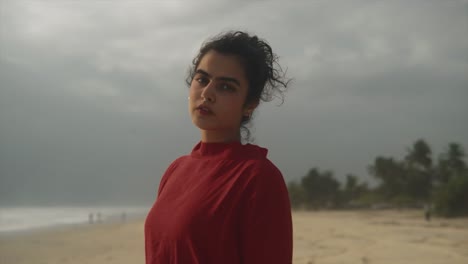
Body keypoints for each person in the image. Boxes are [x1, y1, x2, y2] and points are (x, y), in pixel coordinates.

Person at [145, 31, 292, 264]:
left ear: (250, 104)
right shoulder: (175, 170)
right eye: (202, 79)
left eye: (226, 87)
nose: (207, 93)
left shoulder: (258, 177)